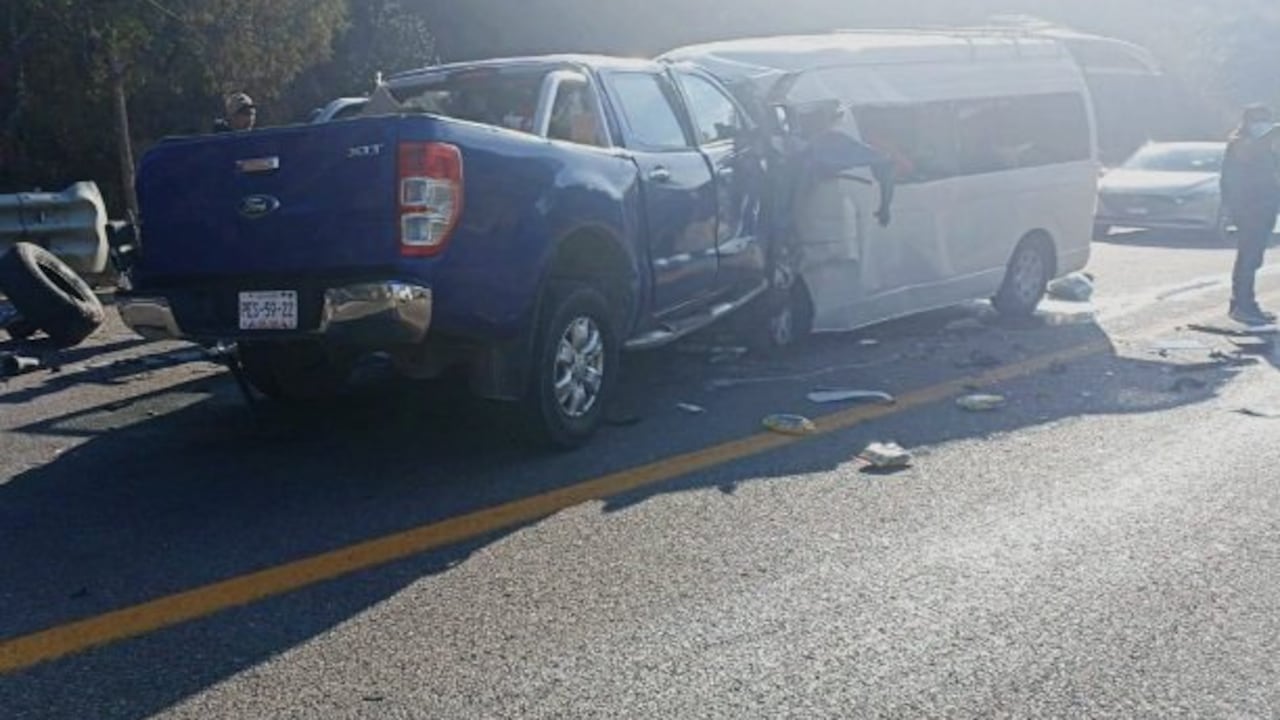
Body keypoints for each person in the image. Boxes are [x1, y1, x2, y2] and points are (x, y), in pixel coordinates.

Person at [1220, 104, 1280, 326]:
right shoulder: (1241, 145)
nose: (1262, 124)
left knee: (1253, 258)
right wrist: (1230, 210)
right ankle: (1243, 304)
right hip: (1250, 209)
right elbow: (1232, 178)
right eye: (1258, 120)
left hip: (1263, 208)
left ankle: (1242, 304)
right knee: (1249, 258)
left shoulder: (1267, 146)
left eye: (1266, 119)